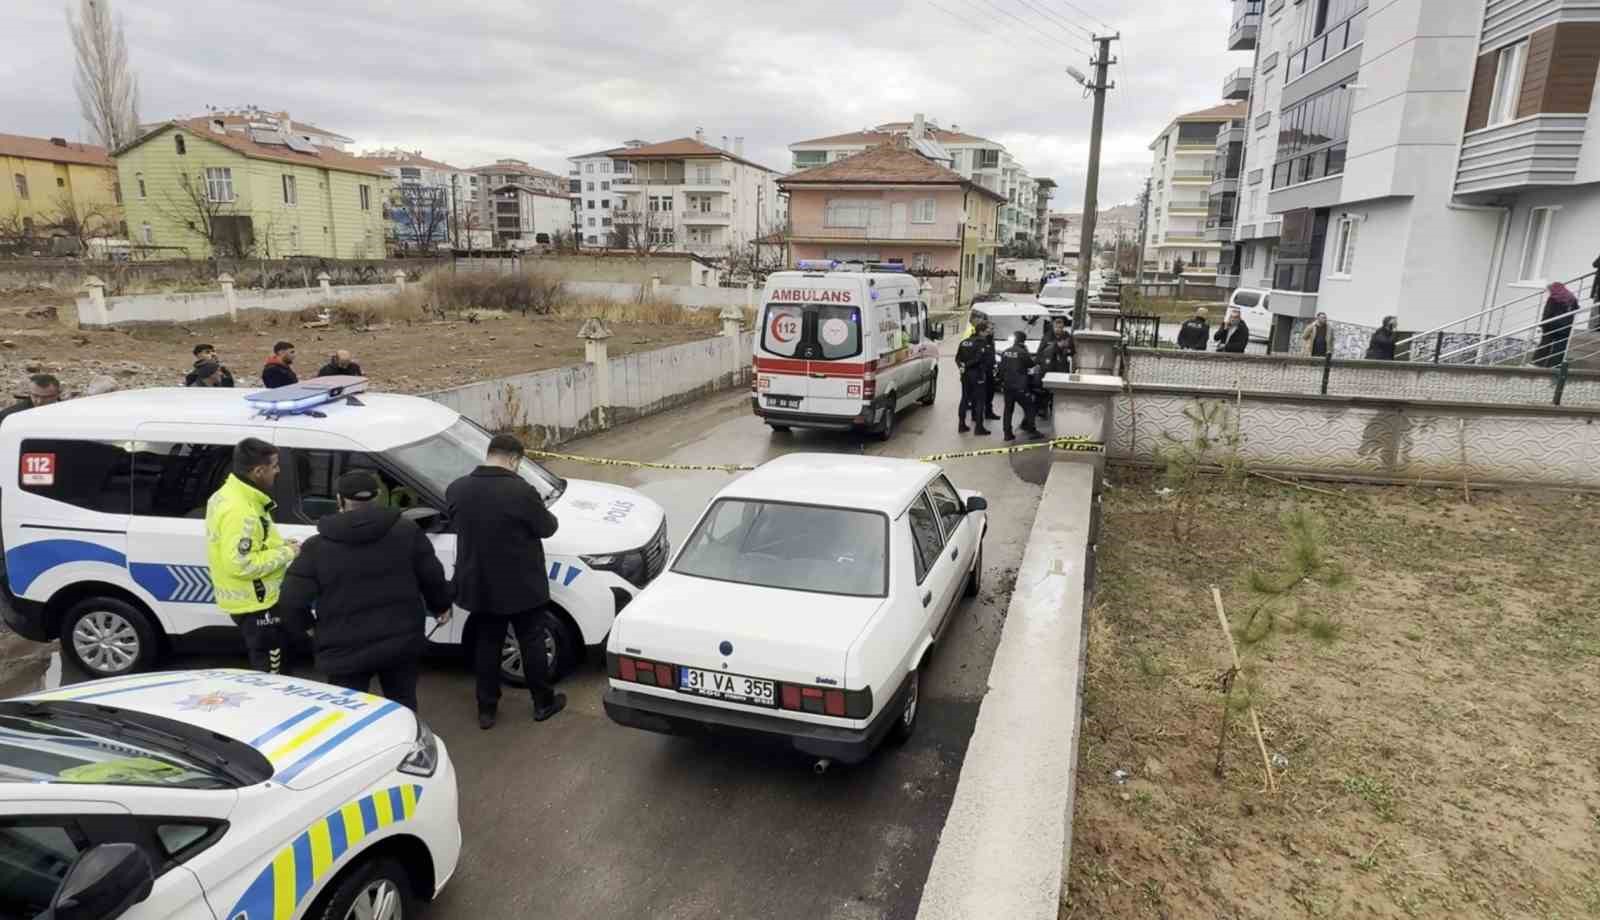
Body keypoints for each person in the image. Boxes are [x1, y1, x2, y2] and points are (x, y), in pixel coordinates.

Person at [279, 470, 452, 712]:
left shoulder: (317, 547)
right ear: (378, 496)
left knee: (348, 715)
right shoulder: (407, 532)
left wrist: (310, 628)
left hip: (344, 648)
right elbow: (431, 577)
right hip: (400, 643)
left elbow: (290, 600)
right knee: (403, 707)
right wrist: (441, 606)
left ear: (339, 500)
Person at [447, 433, 566, 729]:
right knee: (531, 642)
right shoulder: (521, 491)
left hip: (480, 586)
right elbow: (548, 528)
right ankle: (543, 703)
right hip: (522, 586)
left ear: (489, 454)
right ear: (514, 459)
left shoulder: (457, 489)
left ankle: (486, 710)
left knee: (487, 646)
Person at [205, 438, 299, 673]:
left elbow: (252, 542)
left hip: (251, 601)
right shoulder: (241, 511)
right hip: (257, 604)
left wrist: (279, 546)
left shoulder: (230, 494)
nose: (278, 471)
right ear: (258, 471)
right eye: (275, 466)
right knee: (273, 674)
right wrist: (288, 552)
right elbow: (241, 563)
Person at [998, 330, 1041, 441]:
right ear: (1023, 340)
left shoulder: (1006, 351)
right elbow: (1031, 364)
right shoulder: (1022, 352)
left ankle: (1007, 434)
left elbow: (1001, 368)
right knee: (1030, 407)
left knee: (1008, 409)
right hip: (1020, 386)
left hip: (1007, 385)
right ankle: (1031, 430)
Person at [955, 321, 993, 435]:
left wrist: (962, 366)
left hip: (965, 375)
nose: (988, 333)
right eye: (987, 331)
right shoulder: (981, 343)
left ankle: (961, 425)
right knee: (980, 400)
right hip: (977, 374)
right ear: (981, 332)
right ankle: (979, 427)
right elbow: (979, 359)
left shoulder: (964, 342)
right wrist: (967, 365)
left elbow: (957, 358)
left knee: (964, 399)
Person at [1533, 283, 1579, 368]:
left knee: (1545, 345)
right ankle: (1555, 365)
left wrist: (1543, 324)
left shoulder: (1553, 299)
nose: (1549, 292)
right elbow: (1576, 309)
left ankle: (1538, 364)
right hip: (1565, 327)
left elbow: (1547, 312)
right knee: (1560, 347)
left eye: (1550, 290)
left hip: (1551, 325)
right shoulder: (1572, 298)